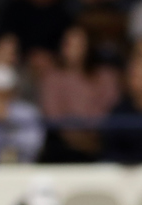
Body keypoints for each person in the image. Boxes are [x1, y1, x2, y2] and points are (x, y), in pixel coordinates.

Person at [38, 25, 121, 162]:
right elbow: (54, 116)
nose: (74, 49)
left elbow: (110, 110)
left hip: (100, 141)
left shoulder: (106, 76)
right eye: (69, 44)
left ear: (89, 46)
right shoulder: (52, 78)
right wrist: (78, 140)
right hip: (63, 145)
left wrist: (91, 137)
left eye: (79, 44)